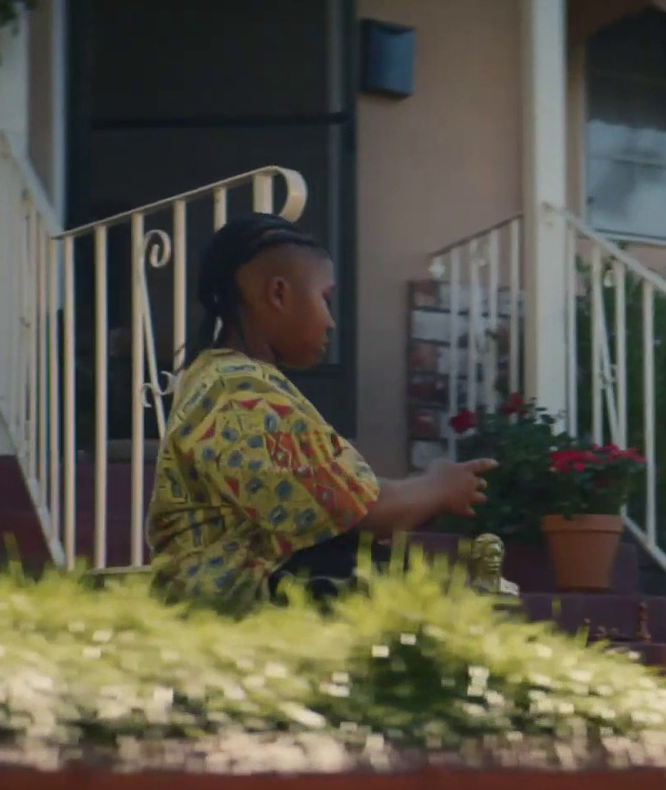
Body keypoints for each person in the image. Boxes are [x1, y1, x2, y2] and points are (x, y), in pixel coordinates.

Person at [146, 213, 495, 610]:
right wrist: (439, 486)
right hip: (244, 619)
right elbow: (359, 512)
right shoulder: (241, 394)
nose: (330, 322)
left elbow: (335, 495)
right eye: (325, 300)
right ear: (278, 294)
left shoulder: (222, 380)